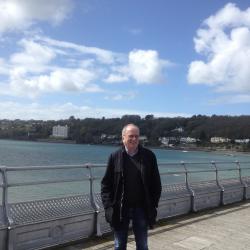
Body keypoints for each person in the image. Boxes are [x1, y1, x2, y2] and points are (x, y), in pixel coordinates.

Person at [101, 123, 162, 250]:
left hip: (141, 208)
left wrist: (153, 204)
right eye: (131, 136)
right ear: (123, 137)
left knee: (142, 245)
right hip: (120, 209)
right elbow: (106, 184)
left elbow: (156, 184)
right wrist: (108, 207)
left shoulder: (149, 156)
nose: (134, 139)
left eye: (136, 136)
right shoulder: (114, 157)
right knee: (119, 245)